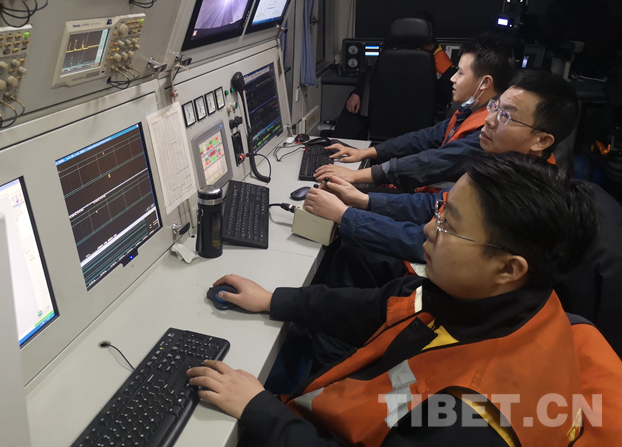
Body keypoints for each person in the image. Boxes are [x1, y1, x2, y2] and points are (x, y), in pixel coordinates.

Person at [187, 153, 622, 446]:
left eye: (449, 225)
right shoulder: (487, 300)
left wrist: (259, 410)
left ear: (509, 268)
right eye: (441, 211)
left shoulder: (473, 420)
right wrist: (273, 300)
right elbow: (375, 307)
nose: (430, 230)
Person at [305, 70, 579, 287]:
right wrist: (362, 200)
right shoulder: (504, 166)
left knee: (353, 253)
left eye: (506, 116)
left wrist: (347, 216)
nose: (490, 120)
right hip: (446, 256)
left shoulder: (518, 197)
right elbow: (436, 205)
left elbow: (430, 239)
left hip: (451, 283)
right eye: (495, 107)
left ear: (542, 141)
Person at [316, 36, 514, 192]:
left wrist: (356, 176)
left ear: (485, 82)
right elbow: (422, 138)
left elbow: (431, 163)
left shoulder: (488, 131)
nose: (452, 78)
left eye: (460, 73)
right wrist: (366, 152)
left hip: (441, 203)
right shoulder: (470, 112)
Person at [334, 14, 458, 139]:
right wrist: (357, 93)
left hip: (418, 120)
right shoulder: (391, 53)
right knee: (353, 108)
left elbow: (444, 98)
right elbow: (371, 73)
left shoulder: (444, 65)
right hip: (386, 110)